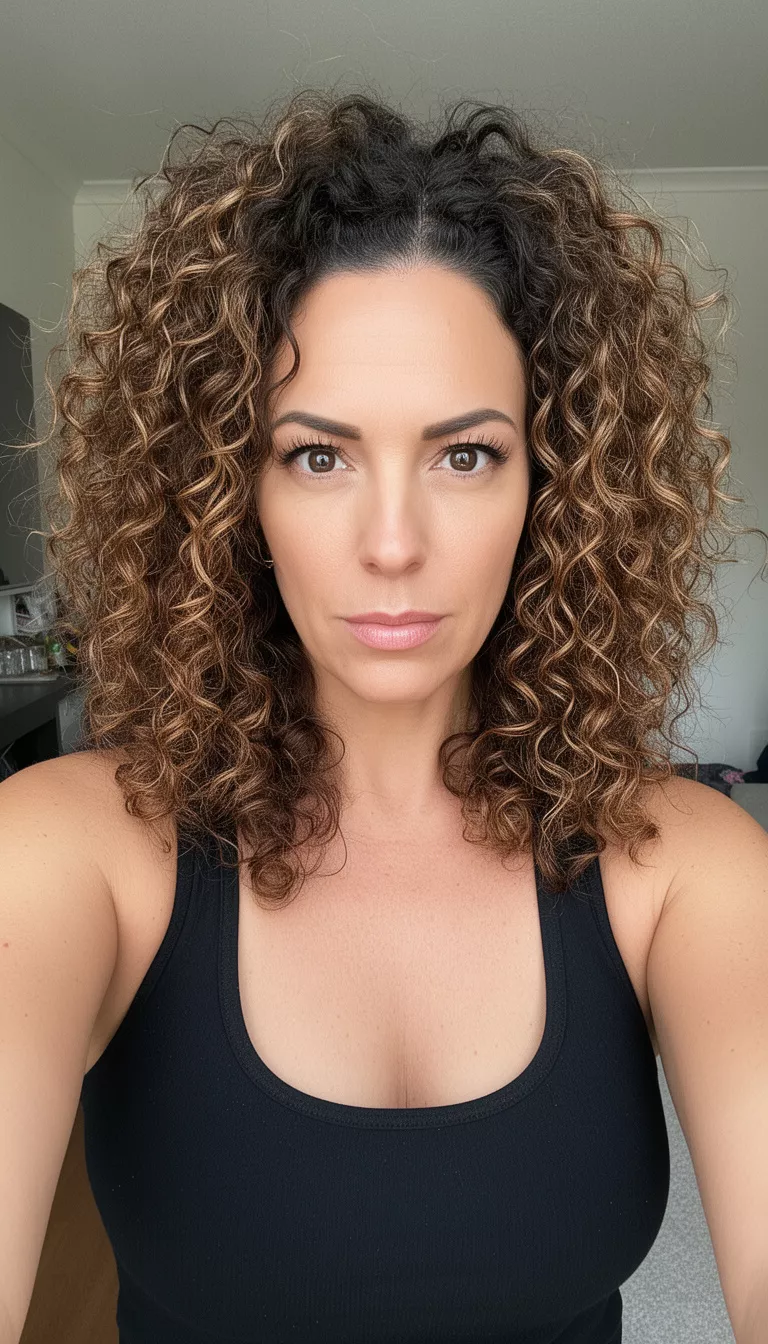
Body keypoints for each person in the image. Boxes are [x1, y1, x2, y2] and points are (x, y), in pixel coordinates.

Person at [3, 88, 768, 1344]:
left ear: (553, 481)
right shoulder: (63, 852)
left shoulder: (688, 867)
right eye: (318, 454)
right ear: (225, 486)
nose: (394, 545)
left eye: (465, 454)